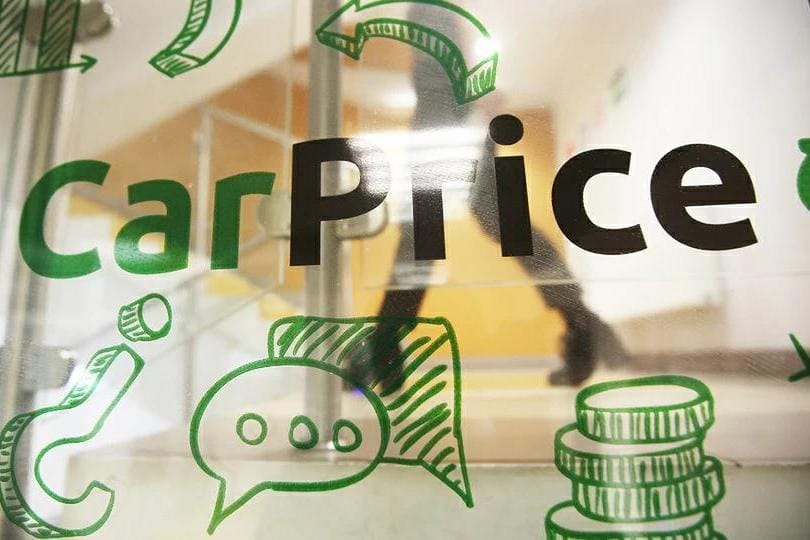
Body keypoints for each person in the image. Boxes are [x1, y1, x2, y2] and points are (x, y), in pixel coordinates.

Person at [347, 5, 627, 390]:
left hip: (442, 117)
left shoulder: (428, 12)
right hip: (454, 114)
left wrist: (467, 95)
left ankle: (384, 344)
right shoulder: (434, 16)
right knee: (494, 225)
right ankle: (580, 321)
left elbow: (438, 60)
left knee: (428, 236)